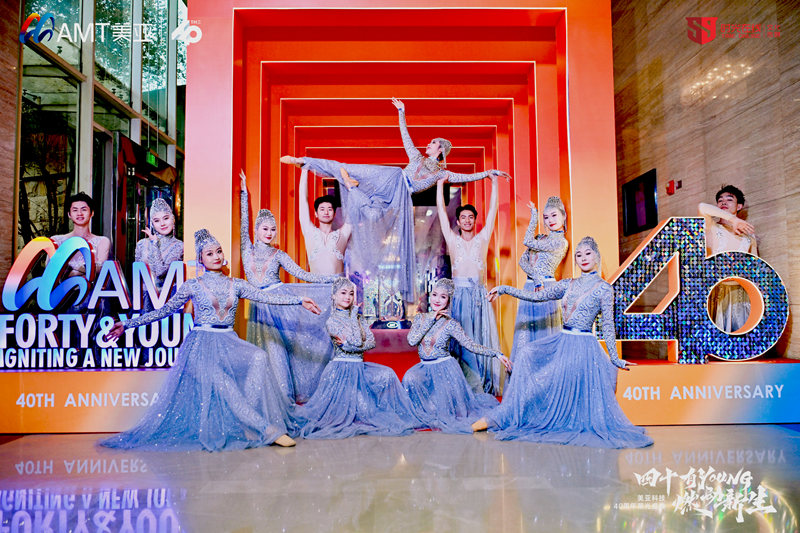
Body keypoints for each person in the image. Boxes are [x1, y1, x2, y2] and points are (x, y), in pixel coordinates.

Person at [100, 229, 322, 451]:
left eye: (218, 251)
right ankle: (267, 430)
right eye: (209, 253)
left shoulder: (237, 284)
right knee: (228, 388)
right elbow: (164, 311)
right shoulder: (193, 285)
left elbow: (267, 296)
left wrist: (299, 300)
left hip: (229, 343)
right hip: (201, 348)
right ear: (201, 259)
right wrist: (127, 324)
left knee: (259, 357)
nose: (216, 256)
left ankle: (248, 422)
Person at [280, 98, 511, 302]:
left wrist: (488, 173)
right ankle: (306, 162)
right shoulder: (416, 157)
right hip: (392, 178)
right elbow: (406, 137)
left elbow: (466, 176)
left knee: (372, 214)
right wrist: (402, 112)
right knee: (351, 168)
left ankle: (352, 188)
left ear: (440, 149)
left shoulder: (441, 173)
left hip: (399, 196)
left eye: (432, 143)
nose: (428, 144)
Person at [472, 237, 653, 449]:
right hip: (562, 341)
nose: (583, 258)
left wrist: (615, 358)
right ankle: (505, 415)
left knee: (555, 383)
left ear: (596, 256)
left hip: (584, 348)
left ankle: (503, 417)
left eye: (588, 253)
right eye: (579, 255)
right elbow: (536, 297)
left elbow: (608, 325)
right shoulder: (568, 284)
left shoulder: (604, 289)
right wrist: (504, 289)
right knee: (527, 353)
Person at [240, 171, 339, 403]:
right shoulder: (246, 248)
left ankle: (284, 400)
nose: (269, 233)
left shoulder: (279, 254)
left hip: (280, 306)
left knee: (280, 354)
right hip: (258, 307)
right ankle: (265, 399)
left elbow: (302, 274)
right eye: (265, 229)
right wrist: (244, 193)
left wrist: (331, 280)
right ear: (256, 230)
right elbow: (244, 221)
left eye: (272, 229)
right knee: (261, 354)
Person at [292, 278, 422, 439]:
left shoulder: (360, 318)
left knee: (387, 374)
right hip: (342, 371)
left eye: (351, 293)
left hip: (360, 367)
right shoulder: (332, 321)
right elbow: (355, 341)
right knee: (355, 414)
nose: (348, 297)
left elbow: (370, 342)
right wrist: (353, 322)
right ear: (333, 296)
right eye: (343, 293)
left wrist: (351, 341)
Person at [403, 278, 512, 434]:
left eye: (443, 297)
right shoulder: (420, 318)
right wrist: (432, 318)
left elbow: (471, 345)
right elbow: (412, 341)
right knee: (409, 377)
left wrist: (496, 353)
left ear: (448, 300)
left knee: (447, 413)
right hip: (424, 368)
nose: (437, 300)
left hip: (445, 370)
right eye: (434, 295)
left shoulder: (451, 324)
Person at [435, 175, 503, 394]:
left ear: (475, 220)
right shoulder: (452, 239)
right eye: (463, 217)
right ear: (458, 222)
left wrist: (494, 183)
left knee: (478, 338)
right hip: (458, 296)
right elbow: (441, 211)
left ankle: (480, 381)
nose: (466, 220)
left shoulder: (482, 239)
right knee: (459, 339)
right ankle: (462, 384)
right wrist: (440, 185)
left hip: (478, 295)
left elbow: (492, 212)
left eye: (470, 217)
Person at [698, 185, 758, 333]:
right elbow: (702, 207)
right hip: (715, 290)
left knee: (742, 336)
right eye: (720, 200)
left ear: (739, 206)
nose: (723, 202)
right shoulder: (711, 226)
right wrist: (733, 219)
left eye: (729, 199)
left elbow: (756, 265)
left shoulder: (749, 235)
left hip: (740, 292)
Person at [513, 197, 569, 346]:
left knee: (543, 336)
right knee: (526, 336)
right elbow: (522, 261)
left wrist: (534, 216)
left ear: (563, 216)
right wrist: (536, 278)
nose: (550, 220)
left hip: (546, 288)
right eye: (546, 217)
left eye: (554, 215)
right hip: (530, 286)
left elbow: (527, 241)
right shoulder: (540, 238)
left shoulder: (560, 242)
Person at [298, 166, 352, 276]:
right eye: (322, 209)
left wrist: (351, 188)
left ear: (334, 213)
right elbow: (303, 200)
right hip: (315, 285)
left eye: (330, 209)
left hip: (338, 285)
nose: (326, 212)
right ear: (316, 214)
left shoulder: (343, 234)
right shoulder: (309, 232)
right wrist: (304, 170)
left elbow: (353, 209)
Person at [134, 198, 184, 312]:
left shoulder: (179, 245)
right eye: (157, 220)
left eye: (166, 218)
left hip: (168, 300)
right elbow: (138, 277)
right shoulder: (142, 244)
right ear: (152, 224)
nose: (162, 224)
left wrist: (154, 244)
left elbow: (160, 271)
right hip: (144, 300)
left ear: (173, 219)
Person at [52, 192, 111, 279]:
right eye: (75, 210)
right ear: (69, 214)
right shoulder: (57, 241)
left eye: (84, 209)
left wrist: (71, 272)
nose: (79, 213)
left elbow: (99, 270)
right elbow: (51, 271)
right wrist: (82, 270)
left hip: (90, 287)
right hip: (63, 287)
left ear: (92, 213)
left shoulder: (102, 241)